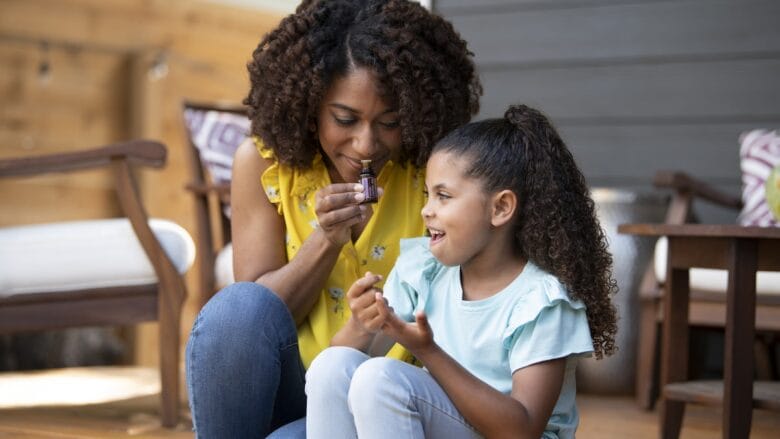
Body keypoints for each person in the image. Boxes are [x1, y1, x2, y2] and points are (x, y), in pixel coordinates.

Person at [184, 0, 481, 437]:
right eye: (345, 119)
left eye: (390, 122)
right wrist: (325, 239)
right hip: (289, 388)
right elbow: (257, 319)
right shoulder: (264, 165)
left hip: (384, 401)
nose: (366, 145)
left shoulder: (436, 169)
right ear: (309, 105)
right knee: (236, 307)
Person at [305, 104, 619, 439]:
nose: (426, 211)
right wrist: (361, 323)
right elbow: (340, 365)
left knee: (381, 380)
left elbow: (522, 429)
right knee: (331, 365)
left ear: (499, 208)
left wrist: (429, 352)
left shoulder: (541, 301)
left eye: (443, 196)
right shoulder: (424, 270)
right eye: (428, 195)